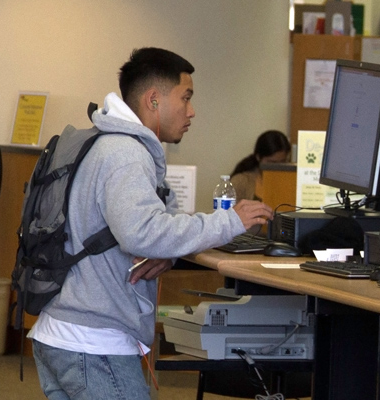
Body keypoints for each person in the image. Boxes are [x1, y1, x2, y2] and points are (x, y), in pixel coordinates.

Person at [28, 47, 274, 400]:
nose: (192, 111)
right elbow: (141, 233)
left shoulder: (109, 144)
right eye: (185, 98)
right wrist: (229, 221)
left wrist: (167, 254)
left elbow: (156, 224)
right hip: (93, 342)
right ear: (154, 100)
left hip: (64, 334)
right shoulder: (126, 154)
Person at [230, 130, 291, 202]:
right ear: (258, 157)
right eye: (271, 162)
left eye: (282, 162)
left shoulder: (291, 181)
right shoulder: (241, 181)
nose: (277, 167)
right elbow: (225, 212)